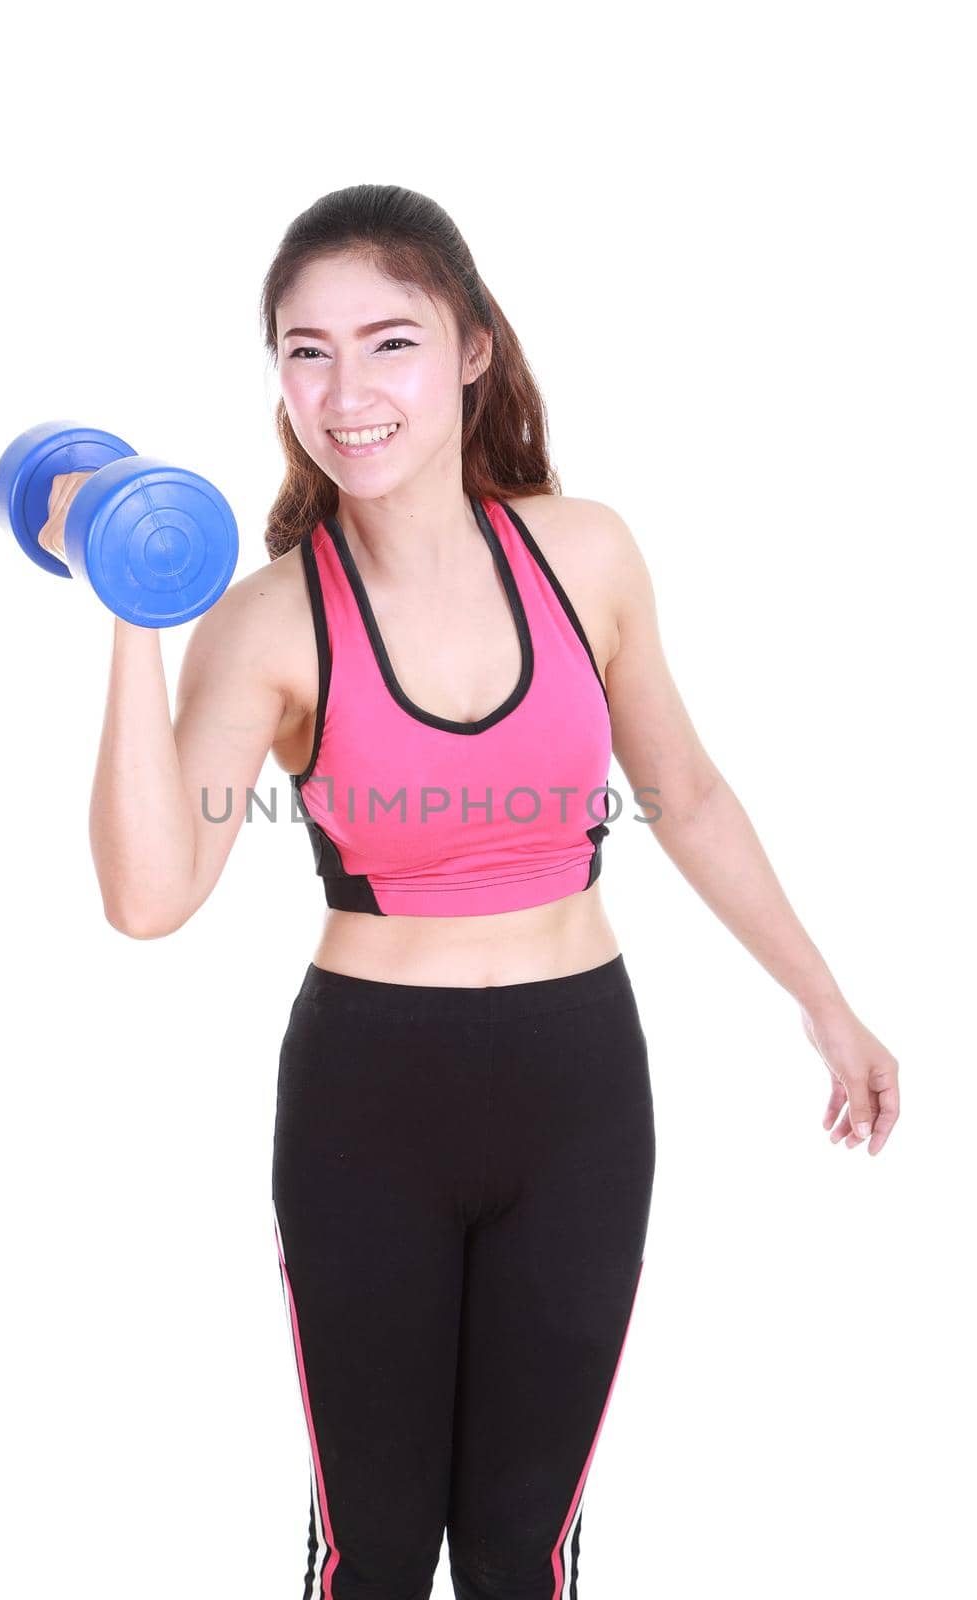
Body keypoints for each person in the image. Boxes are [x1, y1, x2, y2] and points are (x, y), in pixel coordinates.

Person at [60, 185, 900, 1600]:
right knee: (374, 1555)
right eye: (304, 350)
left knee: (526, 1551)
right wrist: (130, 610)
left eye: (388, 341)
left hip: (579, 1090)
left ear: (471, 351)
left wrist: (828, 1007)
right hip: (369, 1102)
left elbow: (685, 794)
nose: (344, 389)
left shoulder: (588, 553)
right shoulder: (268, 617)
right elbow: (149, 898)